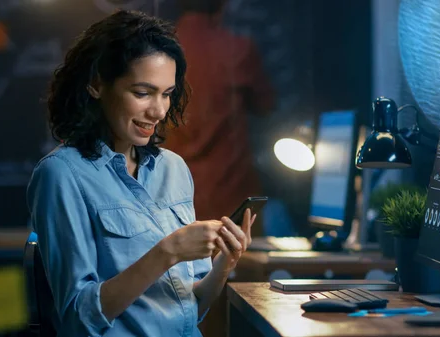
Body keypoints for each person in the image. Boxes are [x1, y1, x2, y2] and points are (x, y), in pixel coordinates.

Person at [27, 10, 255, 337]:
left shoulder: (173, 168)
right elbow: (78, 320)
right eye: (143, 92)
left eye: (167, 94)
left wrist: (224, 265)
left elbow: (192, 310)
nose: (159, 110)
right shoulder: (60, 175)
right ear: (96, 84)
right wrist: (168, 251)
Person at [166, 0, 275, 223]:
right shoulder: (238, 49)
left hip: (172, 194)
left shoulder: (158, 52)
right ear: (223, 4)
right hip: (231, 195)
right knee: (239, 255)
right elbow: (267, 105)